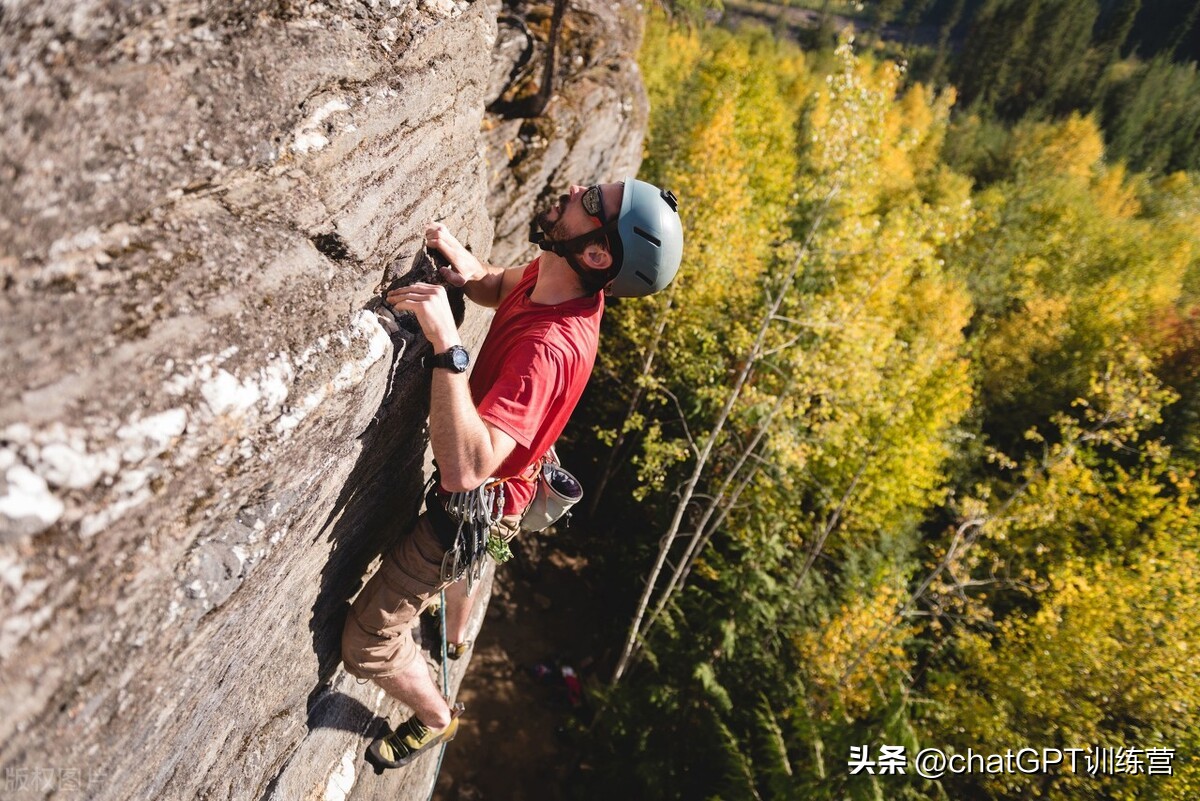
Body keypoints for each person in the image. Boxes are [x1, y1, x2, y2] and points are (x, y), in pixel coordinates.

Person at [341, 178, 683, 769]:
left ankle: (436, 719)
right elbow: (499, 285)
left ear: (596, 253)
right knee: (461, 575)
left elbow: (467, 468)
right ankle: (453, 635)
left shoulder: (547, 350)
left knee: (366, 641)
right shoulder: (556, 274)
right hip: (511, 481)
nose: (575, 187)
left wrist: (448, 346)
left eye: (591, 201)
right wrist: (463, 266)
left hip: (475, 507)